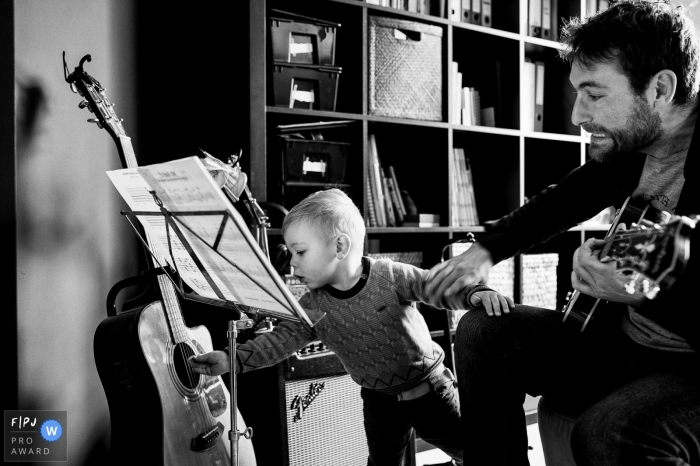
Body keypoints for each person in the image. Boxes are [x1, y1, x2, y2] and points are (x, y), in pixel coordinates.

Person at [423, 1, 700, 465]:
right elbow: (565, 198)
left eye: (594, 94)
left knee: (608, 432)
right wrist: (484, 252)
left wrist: (646, 291)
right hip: (623, 341)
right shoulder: (638, 144)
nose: (576, 115)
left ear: (661, 88)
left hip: (690, 366)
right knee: (482, 333)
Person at [189, 188, 514, 466]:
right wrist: (232, 359)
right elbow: (281, 341)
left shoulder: (390, 276)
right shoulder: (313, 306)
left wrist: (475, 293)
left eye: (300, 251)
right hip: (378, 402)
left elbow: (436, 286)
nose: (293, 262)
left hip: (429, 391)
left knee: (475, 453)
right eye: (291, 253)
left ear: (340, 247)